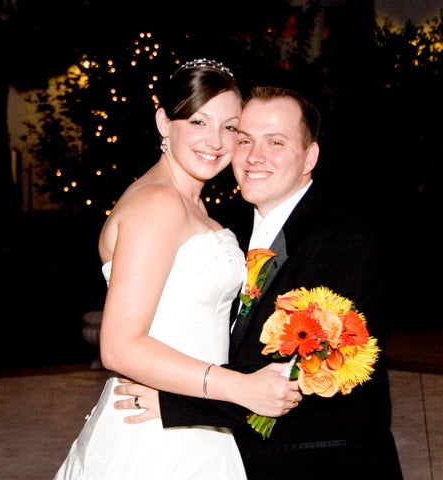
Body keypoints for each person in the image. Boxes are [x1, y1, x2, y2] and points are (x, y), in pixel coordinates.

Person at [115, 86, 403, 479]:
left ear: (310, 157)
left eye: (276, 142)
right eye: (245, 139)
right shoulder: (227, 229)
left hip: (323, 464)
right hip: (243, 456)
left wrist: (178, 402)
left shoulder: (341, 241)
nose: (254, 156)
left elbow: (306, 375)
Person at [53, 62, 301, 479]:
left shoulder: (191, 203)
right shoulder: (158, 203)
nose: (215, 141)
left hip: (191, 416)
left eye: (230, 127)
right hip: (154, 442)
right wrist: (239, 388)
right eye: (199, 121)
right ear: (164, 122)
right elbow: (119, 346)